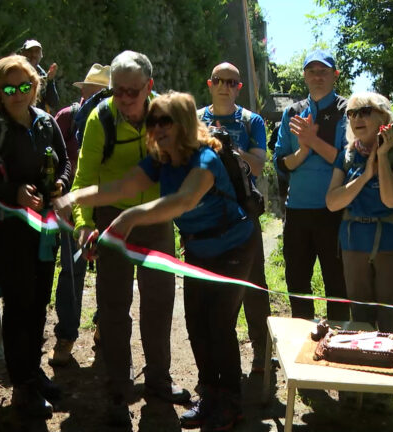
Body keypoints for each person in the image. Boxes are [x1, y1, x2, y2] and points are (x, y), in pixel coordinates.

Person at [54, 91, 257, 431]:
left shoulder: (205, 159)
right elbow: (121, 187)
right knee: (196, 324)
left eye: (166, 120)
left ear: (184, 123)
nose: (158, 127)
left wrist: (128, 218)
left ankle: (231, 403)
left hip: (233, 249)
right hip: (198, 250)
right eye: (153, 121)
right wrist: (75, 196)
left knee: (219, 326)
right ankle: (209, 396)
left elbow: (182, 201)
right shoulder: (161, 159)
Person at [68, 51, 189, 425]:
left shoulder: (166, 117)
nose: (123, 99)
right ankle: (118, 390)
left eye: (131, 92)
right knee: (113, 306)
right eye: (117, 91)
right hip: (111, 220)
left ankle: (158, 384)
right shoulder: (99, 119)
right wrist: (83, 223)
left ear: (149, 87)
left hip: (155, 219)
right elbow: (84, 177)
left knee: (159, 302)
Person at [0, 55, 71, 418]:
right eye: (9, 88)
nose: (17, 94)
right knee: (19, 305)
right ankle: (22, 386)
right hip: (9, 232)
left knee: (39, 300)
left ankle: (32, 372)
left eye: (24, 86)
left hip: (43, 232)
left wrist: (61, 183)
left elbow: (65, 160)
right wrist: (14, 193)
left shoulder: (45, 123)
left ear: (34, 87)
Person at [197, 62, 271, 374]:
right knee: (206, 286)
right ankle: (213, 359)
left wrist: (229, 149)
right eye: (219, 81)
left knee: (254, 284)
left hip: (244, 212)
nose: (225, 86)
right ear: (210, 84)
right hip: (204, 214)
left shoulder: (252, 121)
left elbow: (258, 166)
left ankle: (262, 352)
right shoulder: (196, 119)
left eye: (232, 82)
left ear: (239, 87)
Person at [325, 92, 393, 334]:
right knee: (360, 321)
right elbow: (332, 202)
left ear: (384, 118)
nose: (357, 118)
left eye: (364, 111)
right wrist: (365, 175)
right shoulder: (346, 156)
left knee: (390, 321)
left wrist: (383, 156)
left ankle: (389, 370)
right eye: (351, 113)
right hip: (354, 244)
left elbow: (391, 199)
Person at [272, 49, 350, 322]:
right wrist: (304, 151)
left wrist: (312, 141)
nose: (318, 77)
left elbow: (348, 161)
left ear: (335, 75)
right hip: (297, 212)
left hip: (334, 212)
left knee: (337, 286)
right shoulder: (292, 113)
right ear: (304, 76)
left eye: (324, 71)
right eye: (312, 72)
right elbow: (280, 163)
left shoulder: (346, 111)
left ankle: (339, 346)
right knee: (297, 285)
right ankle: (302, 344)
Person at [48, 63, 110, 366]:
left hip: (108, 204)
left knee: (108, 271)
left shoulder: (115, 117)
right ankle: (67, 335)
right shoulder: (67, 118)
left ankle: (103, 326)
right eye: (95, 90)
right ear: (84, 91)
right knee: (72, 272)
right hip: (73, 204)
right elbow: (55, 158)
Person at [19, 39, 59, 112]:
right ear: (22, 54)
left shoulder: (43, 75)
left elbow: (53, 103)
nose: (33, 55)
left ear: (41, 55)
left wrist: (50, 80)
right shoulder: (15, 72)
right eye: (30, 51)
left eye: (37, 51)